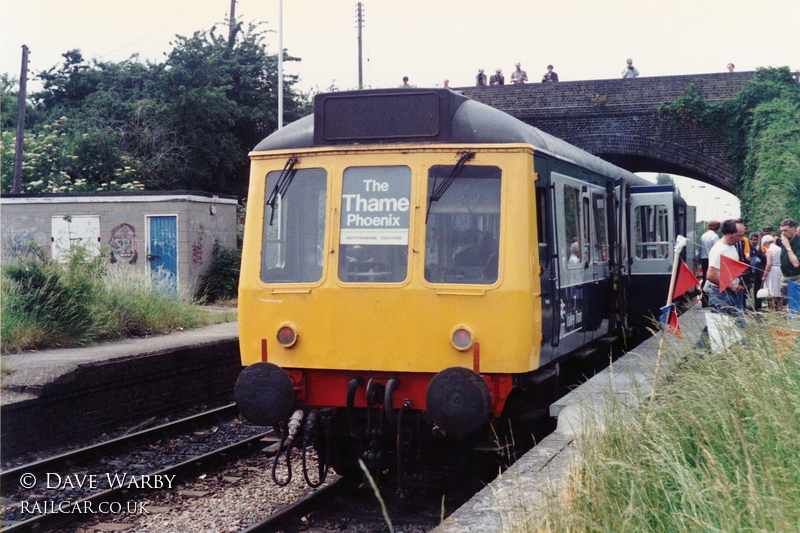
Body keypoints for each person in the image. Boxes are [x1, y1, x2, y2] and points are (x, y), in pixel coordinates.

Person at [704, 219, 747, 317]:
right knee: (718, 327)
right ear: (728, 234)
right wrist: (731, 286)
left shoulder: (731, 246)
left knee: (739, 326)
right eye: (738, 235)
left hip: (734, 293)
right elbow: (711, 275)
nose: (741, 239)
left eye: (742, 235)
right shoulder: (719, 249)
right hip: (722, 295)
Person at [699, 220, 721, 307]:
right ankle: (712, 300)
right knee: (712, 279)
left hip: (704, 259)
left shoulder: (703, 236)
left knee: (705, 278)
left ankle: (704, 301)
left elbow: (700, 249)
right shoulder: (715, 236)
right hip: (712, 259)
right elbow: (717, 249)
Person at [779, 218, 800, 303]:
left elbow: (796, 264)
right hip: (785, 278)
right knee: (786, 305)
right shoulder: (785, 242)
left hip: (796, 278)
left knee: (796, 305)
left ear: (794, 229)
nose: (783, 233)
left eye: (786, 230)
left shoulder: (798, 243)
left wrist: (788, 247)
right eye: (782, 231)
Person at [761, 235, 783, 310]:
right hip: (780, 269)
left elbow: (769, 264)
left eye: (764, 244)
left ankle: (772, 310)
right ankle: (781, 309)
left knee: (771, 291)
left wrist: (764, 274)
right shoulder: (779, 248)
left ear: (766, 242)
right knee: (779, 291)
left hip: (772, 270)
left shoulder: (770, 250)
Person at [749, 232, 766, 311]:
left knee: (759, 287)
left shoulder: (760, 247)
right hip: (752, 268)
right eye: (753, 240)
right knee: (754, 287)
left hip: (759, 268)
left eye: (756, 240)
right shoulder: (748, 248)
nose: (755, 241)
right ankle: (756, 304)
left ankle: (759, 304)